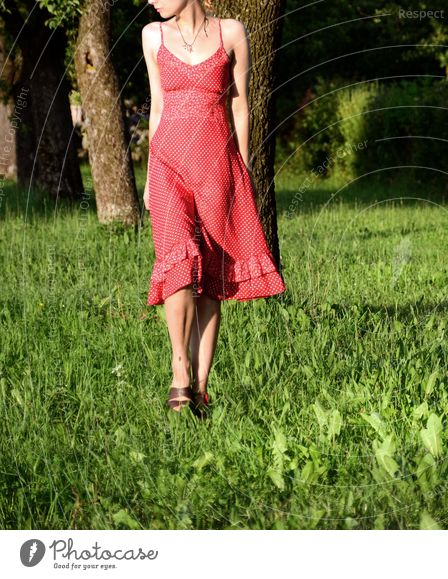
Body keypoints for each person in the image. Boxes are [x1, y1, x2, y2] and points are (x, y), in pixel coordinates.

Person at [142, 0, 285, 418]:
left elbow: (241, 108)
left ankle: (201, 387)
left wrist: (242, 170)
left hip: (216, 164)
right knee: (176, 261)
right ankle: (179, 369)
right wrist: (150, 175)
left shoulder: (232, 33)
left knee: (210, 271)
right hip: (167, 163)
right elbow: (157, 106)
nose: (150, 0)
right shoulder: (152, 36)